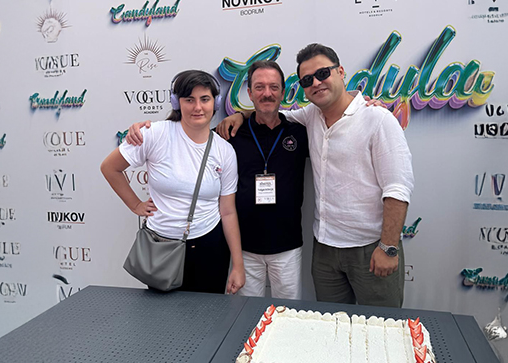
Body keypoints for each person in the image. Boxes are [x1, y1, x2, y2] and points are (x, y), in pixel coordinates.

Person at [218, 44, 414, 308]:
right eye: (308, 80)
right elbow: (269, 112)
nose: (316, 83)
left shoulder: (378, 119)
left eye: (323, 73)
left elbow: (397, 189)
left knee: (379, 323)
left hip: (370, 248)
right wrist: (240, 115)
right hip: (325, 249)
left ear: (340, 72)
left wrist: (388, 247)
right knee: (330, 323)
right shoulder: (309, 117)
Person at [127, 61, 309, 299]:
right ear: (249, 93)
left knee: (288, 312)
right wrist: (140, 128)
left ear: (283, 92)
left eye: (274, 87)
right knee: (244, 315)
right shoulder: (230, 134)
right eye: (259, 87)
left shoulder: (300, 132)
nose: (267, 93)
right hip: (244, 247)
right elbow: (193, 138)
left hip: (287, 245)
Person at [100, 70, 245, 297]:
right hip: (160, 247)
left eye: (205, 99)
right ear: (177, 103)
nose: (198, 107)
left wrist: (238, 265)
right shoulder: (154, 134)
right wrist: (136, 205)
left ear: (215, 103)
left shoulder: (224, 151)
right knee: (161, 316)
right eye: (189, 100)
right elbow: (110, 167)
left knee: (209, 315)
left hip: (210, 248)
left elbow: (227, 212)